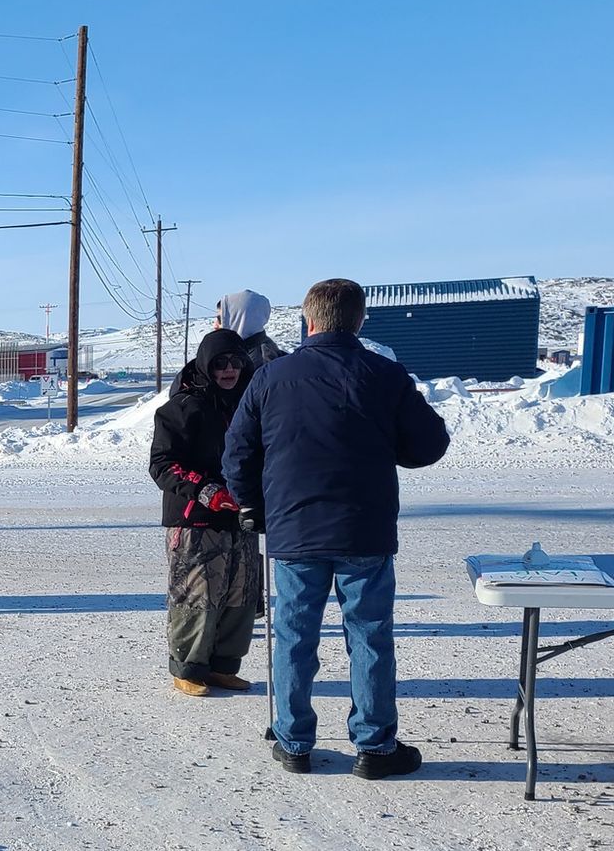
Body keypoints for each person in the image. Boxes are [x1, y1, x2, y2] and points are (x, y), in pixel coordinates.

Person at [223, 278, 451, 778]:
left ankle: (293, 739)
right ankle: (374, 746)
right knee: (369, 636)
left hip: (293, 529)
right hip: (363, 529)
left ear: (309, 321)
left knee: (294, 635)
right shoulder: (385, 374)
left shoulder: (270, 377)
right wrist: (390, 447)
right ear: (359, 320)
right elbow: (430, 444)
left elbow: (238, 452)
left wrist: (252, 505)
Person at [149, 329, 261, 696]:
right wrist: (206, 491)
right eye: (220, 363)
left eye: (235, 362)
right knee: (197, 594)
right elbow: (162, 464)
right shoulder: (182, 407)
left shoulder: (249, 403)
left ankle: (222, 665)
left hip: (239, 515)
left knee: (238, 593)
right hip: (195, 518)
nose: (228, 370)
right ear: (205, 365)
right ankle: (188, 666)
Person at [215, 289, 286, 370]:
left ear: (239, 320)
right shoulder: (239, 351)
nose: (215, 325)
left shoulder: (260, 361)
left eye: (220, 319)